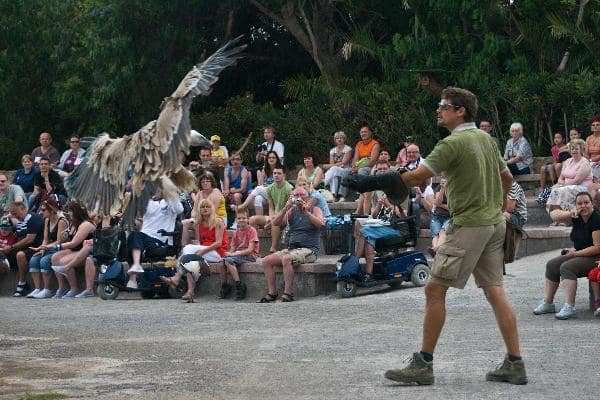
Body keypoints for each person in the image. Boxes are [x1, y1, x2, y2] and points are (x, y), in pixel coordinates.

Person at [345, 87, 526, 385]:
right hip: (493, 224)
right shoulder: (486, 140)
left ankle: (423, 365)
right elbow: (507, 178)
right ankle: (515, 364)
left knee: (434, 290)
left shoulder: (452, 143)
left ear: (461, 111)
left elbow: (416, 177)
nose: (438, 109)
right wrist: (497, 206)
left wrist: (371, 181)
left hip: (468, 225)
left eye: (444, 105)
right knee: (495, 292)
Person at [533, 192, 600, 319]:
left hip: (596, 257)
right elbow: (554, 215)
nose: (583, 206)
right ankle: (548, 303)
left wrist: (575, 253)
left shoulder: (596, 219)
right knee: (552, 265)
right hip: (582, 254)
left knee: (567, 267)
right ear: (575, 206)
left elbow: (597, 248)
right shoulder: (576, 217)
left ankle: (570, 306)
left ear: (592, 204)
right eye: (579, 203)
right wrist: (570, 213)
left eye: (586, 202)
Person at [257, 187, 324, 303]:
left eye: (301, 195)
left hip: (309, 250)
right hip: (293, 249)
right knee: (266, 260)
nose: (299, 197)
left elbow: (321, 225)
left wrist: (306, 212)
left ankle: (288, 293)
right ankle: (272, 293)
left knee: (286, 259)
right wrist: (285, 207)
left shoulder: (315, 209)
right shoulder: (291, 211)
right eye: (296, 195)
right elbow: (276, 223)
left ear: (307, 196)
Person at [161, 199, 228, 301]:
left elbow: (218, 243)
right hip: (204, 251)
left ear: (212, 209)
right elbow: (200, 242)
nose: (205, 209)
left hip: (217, 252)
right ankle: (190, 291)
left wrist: (201, 251)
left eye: (207, 207)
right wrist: (198, 246)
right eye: (202, 207)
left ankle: (176, 278)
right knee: (190, 261)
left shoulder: (218, 221)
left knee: (187, 250)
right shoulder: (198, 223)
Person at [125, 192, 184, 289]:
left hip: (160, 240)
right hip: (144, 237)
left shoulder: (170, 201)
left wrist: (169, 194)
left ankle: (133, 277)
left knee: (135, 237)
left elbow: (179, 210)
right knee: (132, 238)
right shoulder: (147, 201)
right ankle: (135, 271)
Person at [354, 190, 404, 282]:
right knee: (369, 237)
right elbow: (374, 216)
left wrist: (389, 204)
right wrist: (379, 205)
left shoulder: (400, 196)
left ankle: (354, 262)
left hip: (394, 228)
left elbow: (402, 214)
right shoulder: (385, 195)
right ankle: (368, 274)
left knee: (364, 232)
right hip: (381, 226)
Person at [50, 200, 96, 298]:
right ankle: (61, 288)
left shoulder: (86, 224)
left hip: (86, 251)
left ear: (76, 212)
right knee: (55, 257)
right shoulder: (74, 223)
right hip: (77, 250)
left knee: (63, 261)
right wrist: (65, 235)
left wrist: (59, 246)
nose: (69, 213)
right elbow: (68, 239)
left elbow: (74, 243)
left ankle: (74, 288)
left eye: (70, 211)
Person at [545, 139, 594, 225]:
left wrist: (562, 185)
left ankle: (568, 218)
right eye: (572, 149)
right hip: (567, 186)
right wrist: (560, 184)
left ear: (581, 150)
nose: (574, 151)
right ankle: (559, 218)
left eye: (576, 149)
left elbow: (577, 180)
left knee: (561, 190)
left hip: (582, 187)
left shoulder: (584, 163)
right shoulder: (567, 161)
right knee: (554, 189)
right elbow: (560, 178)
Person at [26, 199, 69, 298]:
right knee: (34, 259)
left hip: (60, 248)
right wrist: (42, 249)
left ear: (51, 210)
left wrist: (45, 247)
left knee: (44, 261)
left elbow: (59, 241)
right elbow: (45, 239)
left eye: (44, 210)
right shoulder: (47, 220)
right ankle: (37, 288)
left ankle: (47, 289)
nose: (41, 212)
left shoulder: (61, 221)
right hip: (49, 247)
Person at [249, 166, 293, 253]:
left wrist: (274, 218)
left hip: (286, 216)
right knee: (252, 219)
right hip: (274, 215)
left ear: (284, 175)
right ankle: (255, 248)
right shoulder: (270, 188)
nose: (276, 175)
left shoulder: (289, 188)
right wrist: (271, 217)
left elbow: (289, 208)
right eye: (274, 173)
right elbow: (271, 207)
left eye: (279, 173)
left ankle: (273, 248)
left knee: (275, 222)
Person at [218, 210, 258, 300]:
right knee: (221, 261)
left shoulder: (252, 230)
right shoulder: (236, 232)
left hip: (250, 256)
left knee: (228, 261)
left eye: (243, 218)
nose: (241, 220)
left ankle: (239, 285)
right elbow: (232, 247)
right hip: (238, 255)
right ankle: (225, 286)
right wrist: (228, 254)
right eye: (239, 218)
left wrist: (233, 254)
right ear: (236, 220)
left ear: (247, 219)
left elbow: (250, 250)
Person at [6, 201, 44, 297]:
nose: (15, 216)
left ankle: (22, 284)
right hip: (21, 248)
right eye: (13, 214)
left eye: (15, 213)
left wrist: (11, 247)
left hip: (35, 248)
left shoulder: (33, 218)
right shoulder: (20, 221)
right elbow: (17, 236)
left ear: (23, 209)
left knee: (20, 255)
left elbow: (29, 239)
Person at [232, 151, 282, 216]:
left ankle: (242, 207)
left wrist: (269, 185)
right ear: (267, 159)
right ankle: (259, 221)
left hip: (277, 194)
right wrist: (263, 182)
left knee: (258, 188)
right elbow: (261, 184)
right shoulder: (265, 169)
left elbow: (281, 184)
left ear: (277, 159)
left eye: (273, 158)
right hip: (267, 194)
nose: (271, 159)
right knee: (258, 198)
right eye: (269, 158)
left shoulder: (280, 169)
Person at [324, 131, 353, 201]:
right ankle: (333, 195)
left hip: (345, 169)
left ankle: (324, 182)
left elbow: (344, 162)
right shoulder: (332, 151)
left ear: (344, 139)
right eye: (337, 138)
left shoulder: (348, 149)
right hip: (335, 171)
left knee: (333, 169)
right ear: (335, 140)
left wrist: (329, 166)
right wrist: (332, 166)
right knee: (334, 175)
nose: (339, 140)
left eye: (341, 138)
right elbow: (331, 164)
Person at [429, 178, 450, 256]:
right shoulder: (439, 187)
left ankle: (434, 250)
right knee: (436, 234)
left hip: (449, 217)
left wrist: (441, 205)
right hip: (437, 216)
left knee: (442, 232)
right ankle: (436, 249)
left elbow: (452, 208)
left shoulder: (454, 188)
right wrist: (442, 189)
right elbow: (437, 202)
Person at [585, 115, 600, 180]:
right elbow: (586, 153)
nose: (595, 126)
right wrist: (588, 160)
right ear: (591, 127)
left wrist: (592, 161)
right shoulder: (588, 138)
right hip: (590, 161)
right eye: (593, 125)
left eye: (597, 125)